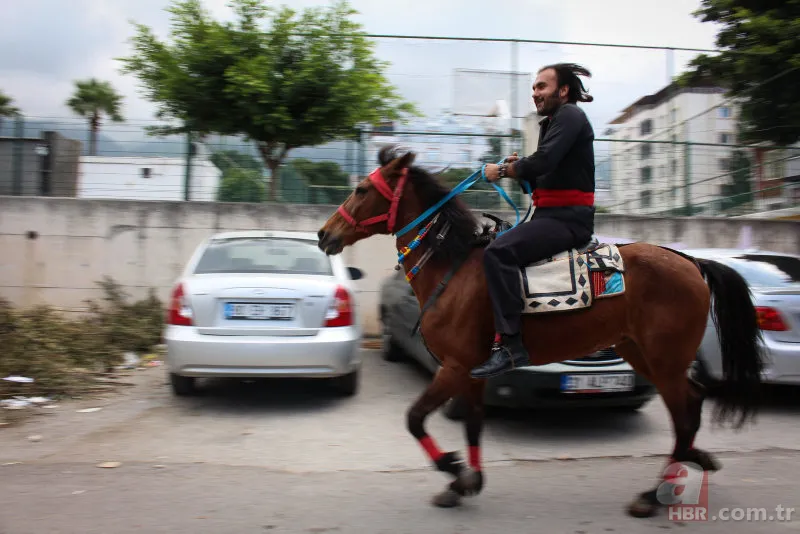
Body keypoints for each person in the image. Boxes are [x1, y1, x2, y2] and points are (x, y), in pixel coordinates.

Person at [470, 63, 597, 379]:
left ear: (563, 90)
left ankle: (511, 346)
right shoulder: (552, 122)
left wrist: (501, 171)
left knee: (498, 252)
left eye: (542, 86)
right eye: (534, 88)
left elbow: (543, 161)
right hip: (551, 215)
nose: (535, 93)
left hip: (568, 220)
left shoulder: (570, 115)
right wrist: (519, 170)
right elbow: (543, 175)